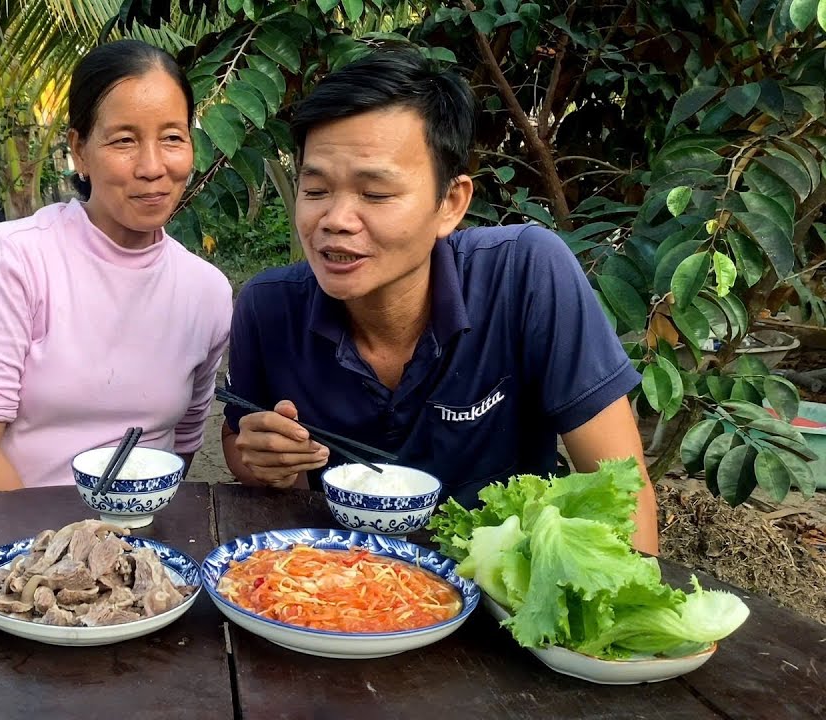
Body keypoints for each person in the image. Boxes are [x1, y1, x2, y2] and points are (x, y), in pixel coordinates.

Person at [221, 49, 659, 554]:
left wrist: (628, 617)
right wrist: (268, 463)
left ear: (450, 203)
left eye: (375, 193)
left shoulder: (525, 276)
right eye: (316, 189)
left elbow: (622, 493)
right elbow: (244, 451)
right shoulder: (268, 308)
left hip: (498, 601)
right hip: (333, 593)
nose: (336, 218)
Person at [0, 39, 232, 496]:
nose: (153, 167)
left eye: (172, 138)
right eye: (124, 141)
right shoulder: (15, 258)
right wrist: (50, 560)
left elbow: (183, 444)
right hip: (10, 536)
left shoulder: (206, 291)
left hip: (133, 538)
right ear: (80, 149)